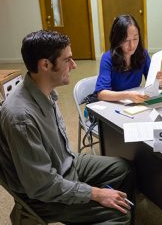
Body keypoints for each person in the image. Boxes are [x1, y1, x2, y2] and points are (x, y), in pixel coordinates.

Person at [0, 30, 135, 224]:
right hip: (44, 195)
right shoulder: (21, 117)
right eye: (68, 60)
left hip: (65, 164)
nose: (74, 65)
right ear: (45, 65)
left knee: (123, 169)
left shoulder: (45, 91)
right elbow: (43, 186)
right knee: (119, 215)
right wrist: (95, 194)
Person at [95, 14, 162, 103]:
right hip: (114, 104)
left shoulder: (142, 54)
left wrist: (159, 81)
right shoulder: (107, 58)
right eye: (126, 40)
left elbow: (151, 82)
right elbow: (101, 94)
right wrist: (127, 95)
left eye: (135, 39)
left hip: (133, 105)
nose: (132, 45)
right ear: (117, 39)